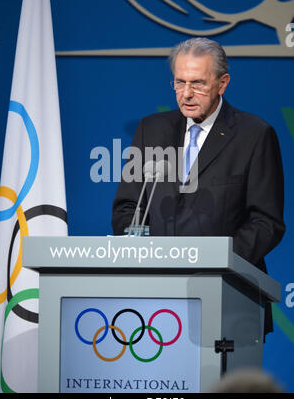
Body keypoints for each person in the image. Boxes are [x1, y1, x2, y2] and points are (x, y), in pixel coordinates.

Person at [112, 37, 285, 334]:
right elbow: (128, 207)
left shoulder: (254, 135)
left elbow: (266, 221)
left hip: (229, 297)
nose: (187, 94)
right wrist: (153, 254)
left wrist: (214, 262)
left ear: (223, 82)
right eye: (179, 83)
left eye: (198, 83)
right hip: (155, 299)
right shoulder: (151, 130)